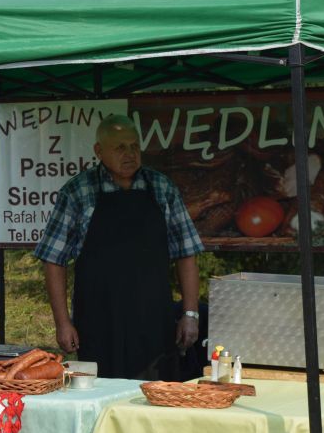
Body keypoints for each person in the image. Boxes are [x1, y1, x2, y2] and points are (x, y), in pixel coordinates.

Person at [33, 114, 203, 380]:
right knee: (101, 396)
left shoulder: (161, 188)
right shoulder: (78, 191)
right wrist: (63, 323)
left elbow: (187, 254)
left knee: (156, 396)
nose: (130, 154)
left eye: (134, 146)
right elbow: (53, 260)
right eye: (120, 147)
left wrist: (190, 314)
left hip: (154, 319)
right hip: (98, 321)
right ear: (99, 151)